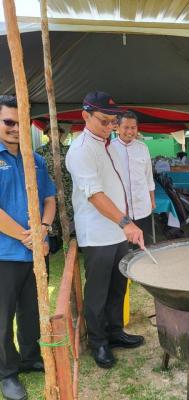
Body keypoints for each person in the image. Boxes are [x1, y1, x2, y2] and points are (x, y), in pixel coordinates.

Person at [66, 91, 145, 369]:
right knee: (97, 291)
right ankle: (98, 342)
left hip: (117, 230)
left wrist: (124, 223)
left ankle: (115, 333)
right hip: (98, 233)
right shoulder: (81, 150)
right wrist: (126, 222)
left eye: (113, 121)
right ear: (85, 115)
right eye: (104, 121)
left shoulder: (108, 143)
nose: (110, 126)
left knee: (118, 285)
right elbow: (95, 195)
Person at [0, 95, 56, 400]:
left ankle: (30, 356)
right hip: (4, 254)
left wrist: (44, 229)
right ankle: (7, 373)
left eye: (20, 122)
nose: (15, 128)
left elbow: (48, 198)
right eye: (9, 122)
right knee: (2, 317)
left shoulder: (35, 159)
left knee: (32, 310)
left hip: (34, 250)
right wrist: (27, 236)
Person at [111, 110, 156, 245]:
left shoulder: (143, 148)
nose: (130, 131)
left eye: (133, 127)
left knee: (143, 245)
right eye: (126, 127)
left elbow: (148, 177)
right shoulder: (110, 148)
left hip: (142, 207)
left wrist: (152, 200)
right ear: (117, 128)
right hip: (120, 210)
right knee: (122, 246)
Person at [36, 125, 73, 251]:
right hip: (48, 190)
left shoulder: (69, 150)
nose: (55, 134)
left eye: (57, 132)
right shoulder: (40, 152)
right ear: (47, 134)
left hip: (67, 190)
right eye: (51, 132)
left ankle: (70, 239)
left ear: (62, 134)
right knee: (50, 213)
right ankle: (53, 241)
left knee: (68, 214)